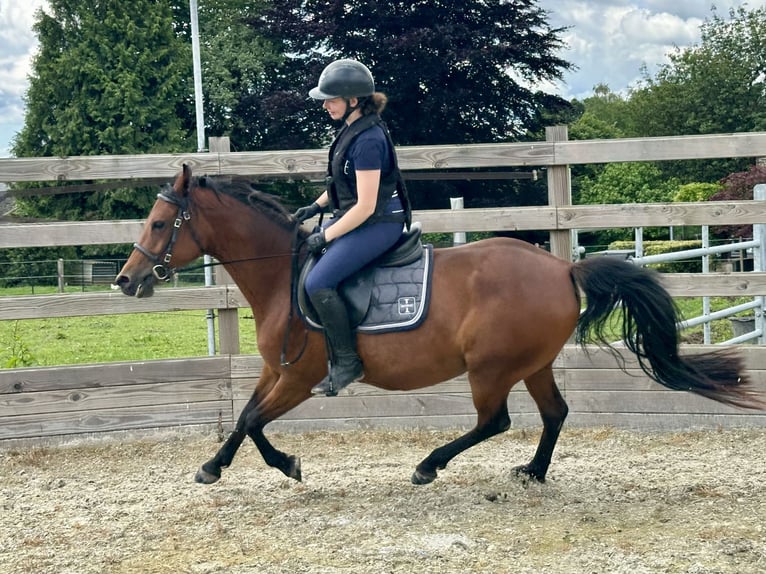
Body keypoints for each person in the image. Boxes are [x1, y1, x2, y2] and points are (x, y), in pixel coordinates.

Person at [293, 59, 411, 396]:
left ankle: (348, 362)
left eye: (331, 99)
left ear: (353, 101)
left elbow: (366, 204)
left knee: (319, 281)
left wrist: (325, 235)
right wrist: (315, 207)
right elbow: (344, 187)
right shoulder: (351, 130)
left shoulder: (369, 140)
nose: (325, 104)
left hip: (379, 223)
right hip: (358, 217)